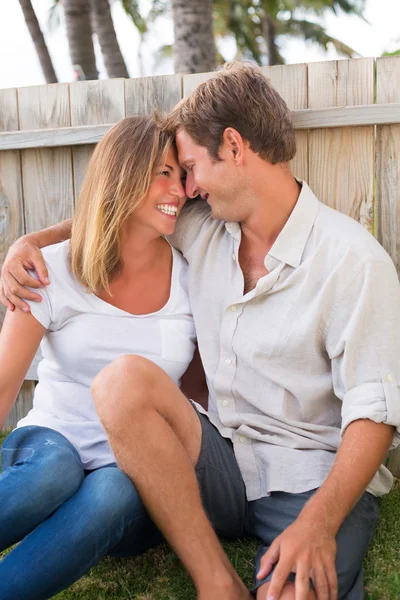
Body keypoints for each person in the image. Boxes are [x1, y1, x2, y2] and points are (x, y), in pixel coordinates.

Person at [2, 62, 400, 600]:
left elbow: (374, 413)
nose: (186, 187)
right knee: (121, 382)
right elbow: (121, 206)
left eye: (189, 167)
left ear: (234, 147)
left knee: (293, 591)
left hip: (307, 477)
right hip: (222, 462)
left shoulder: (353, 261)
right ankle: (217, 581)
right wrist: (30, 241)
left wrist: (319, 522)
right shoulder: (206, 226)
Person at [0, 115, 203, 600]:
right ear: (123, 176)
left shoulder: (193, 278)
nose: (179, 190)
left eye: (181, 175)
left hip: (135, 479)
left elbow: (197, 394)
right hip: (51, 446)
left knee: (110, 491)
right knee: (56, 473)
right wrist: (26, 243)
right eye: (162, 173)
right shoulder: (48, 270)